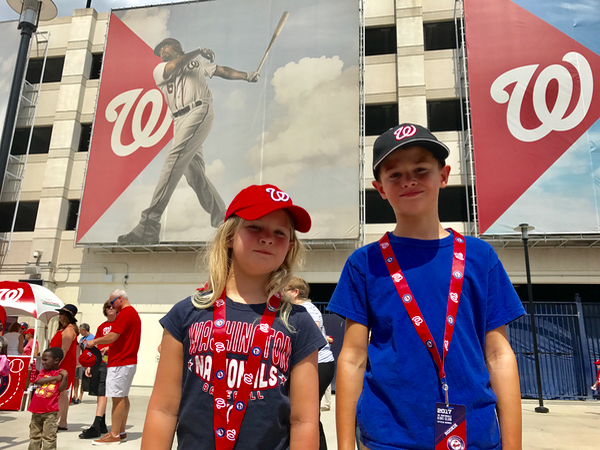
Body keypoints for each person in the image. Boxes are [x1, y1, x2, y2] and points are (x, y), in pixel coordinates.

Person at [328, 123, 527, 450]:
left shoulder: (480, 257)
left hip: (474, 436)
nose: (408, 180)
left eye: (421, 169)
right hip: (387, 438)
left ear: (444, 175)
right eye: (394, 175)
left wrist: (514, 445)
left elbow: (498, 354)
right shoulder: (364, 264)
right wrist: (345, 446)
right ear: (380, 188)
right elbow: (352, 358)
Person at [141, 184, 326, 450]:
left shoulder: (298, 322)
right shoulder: (186, 314)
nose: (267, 238)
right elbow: (163, 409)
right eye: (255, 227)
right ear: (229, 236)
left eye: (279, 232)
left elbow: (303, 421)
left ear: (289, 246)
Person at [117, 38, 260, 245]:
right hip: (179, 119)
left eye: (165, 47)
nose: (162, 52)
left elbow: (221, 71)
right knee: (194, 175)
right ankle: (224, 221)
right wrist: (199, 50)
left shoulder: (197, 62)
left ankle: (149, 223)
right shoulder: (161, 68)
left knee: (172, 162)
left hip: (199, 109)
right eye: (159, 50)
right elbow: (176, 65)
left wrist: (246, 76)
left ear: (176, 46)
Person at [85, 289, 141, 445]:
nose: (111, 305)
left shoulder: (124, 314)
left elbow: (113, 335)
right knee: (122, 396)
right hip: (126, 360)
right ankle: (121, 431)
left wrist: (94, 342)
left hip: (121, 362)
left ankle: (114, 434)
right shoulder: (132, 314)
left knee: (117, 397)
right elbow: (123, 338)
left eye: (112, 302)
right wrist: (109, 348)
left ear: (120, 299)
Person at [286, 276, 335, 450]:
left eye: (285, 290)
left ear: (295, 292)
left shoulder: (306, 309)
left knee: (308, 414)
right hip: (318, 364)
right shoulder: (301, 308)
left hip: (319, 364)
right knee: (309, 413)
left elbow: (311, 338)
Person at [80, 301, 117, 439]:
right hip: (101, 363)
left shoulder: (119, 325)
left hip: (114, 363)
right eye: (108, 307)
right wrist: (90, 365)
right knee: (99, 392)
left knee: (103, 393)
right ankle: (101, 423)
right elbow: (95, 347)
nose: (111, 309)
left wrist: (110, 348)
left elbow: (122, 342)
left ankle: (96, 425)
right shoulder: (102, 326)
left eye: (113, 307)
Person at [28, 347, 69, 450]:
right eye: (42, 359)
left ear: (56, 361)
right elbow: (38, 381)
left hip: (50, 412)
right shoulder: (43, 372)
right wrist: (55, 378)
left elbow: (61, 388)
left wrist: (65, 377)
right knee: (35, 436)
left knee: (49, 437)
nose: (43, 362)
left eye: (45, 360)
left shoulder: (61, 373)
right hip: (36, 410)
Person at [49, 304, 79, 430]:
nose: (59, 315)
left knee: (60, 392)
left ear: (68, 316)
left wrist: (56, 365)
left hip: (63, 364)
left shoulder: (68, 330)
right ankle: (63, 421)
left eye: (62, 313)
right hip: (64, 363)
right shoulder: (64, 329)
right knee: (63, 393)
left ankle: (55, 421)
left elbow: (64, 349)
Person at [73, 323, 94, 405]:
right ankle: (74, 395)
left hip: (85, 360)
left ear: (84, 330)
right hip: (79, 360)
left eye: (81, 330)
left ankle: (80, 396)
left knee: (83, 379)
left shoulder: (92, 338)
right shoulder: (82, 338)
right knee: (76, 378)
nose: (80, 331)